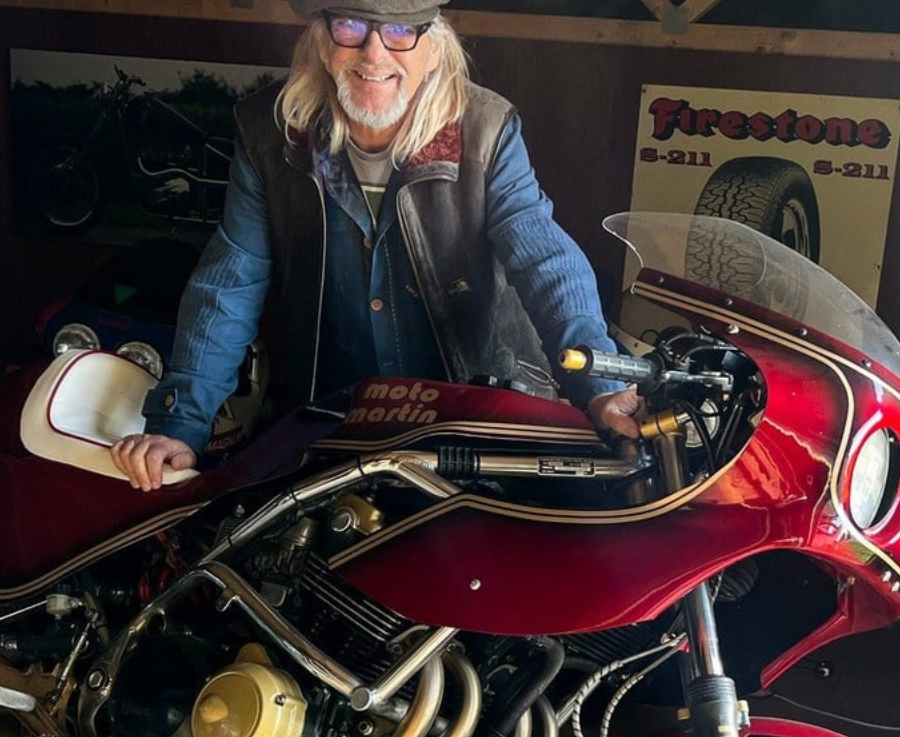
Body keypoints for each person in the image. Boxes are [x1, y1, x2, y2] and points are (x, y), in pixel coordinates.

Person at [111, 0, 642, 491]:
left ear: (434, 47)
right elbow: (231, 281)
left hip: (475, 418)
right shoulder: (270, 132)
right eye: (350, 25)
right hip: (335, 422)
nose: (373, 52)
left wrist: (596, 381)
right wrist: (180, 425)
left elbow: (544, 258)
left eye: (398, 30)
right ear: (321, 40)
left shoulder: (486, 129)